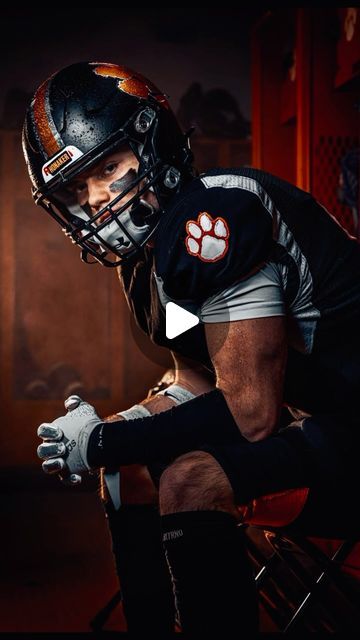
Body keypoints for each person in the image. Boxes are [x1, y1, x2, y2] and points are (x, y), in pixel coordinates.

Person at [22, 61, 360, 634]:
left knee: (189, 479)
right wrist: (115, 425)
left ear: (151, 140)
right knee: (127, 474)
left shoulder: (213, 215)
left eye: (107, 168)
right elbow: (199, 382)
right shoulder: (148, 257)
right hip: (319, 420)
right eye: (77, 189)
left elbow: (251, 413)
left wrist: (102, 441)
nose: (96, 199)